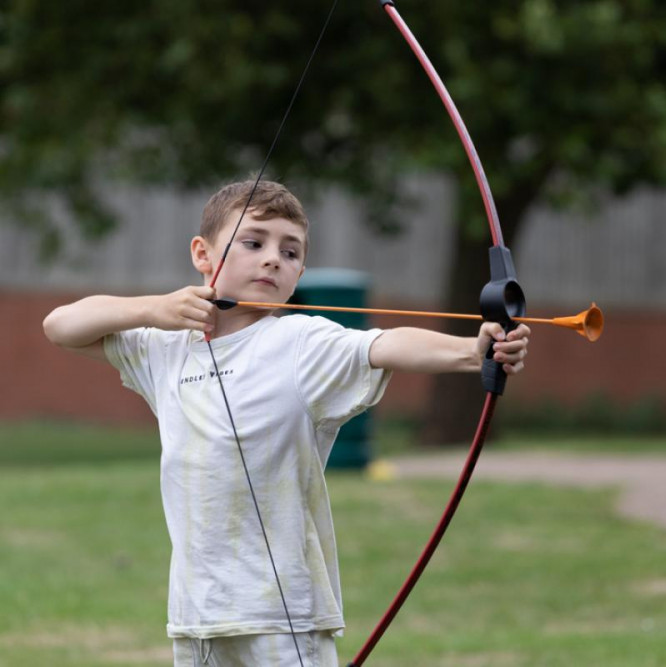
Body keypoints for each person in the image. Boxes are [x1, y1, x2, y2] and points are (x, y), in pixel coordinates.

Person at [42, 180, 531, 667]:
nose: (273, 258)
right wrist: (153, 308)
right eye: (253, 242)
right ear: (202, 253)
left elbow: (382, 345)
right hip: (197, 615)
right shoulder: (164, 347)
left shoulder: (302, 342)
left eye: (291, 251)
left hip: (282, 614)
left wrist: (474, 350)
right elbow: (60, 325)